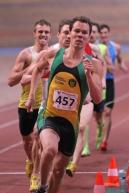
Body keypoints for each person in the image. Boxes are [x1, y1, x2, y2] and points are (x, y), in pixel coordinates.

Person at [25, 16, 102, 193]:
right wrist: (31, 97)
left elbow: (97, 99)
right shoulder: (53, 55)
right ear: (70, 33)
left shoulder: (95, 64)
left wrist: (89, 75)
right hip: (50, 117)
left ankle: (49, 188)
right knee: (50, 149)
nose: (80, 35)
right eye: (77, 31)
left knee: (59, 171)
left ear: (89, 36)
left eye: (84, 32)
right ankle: (42, 187)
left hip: (70, 124)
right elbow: (37, 69)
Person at [7, 19, 51, 191]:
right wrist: (32, 68)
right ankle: (31, 161)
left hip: (46, 105)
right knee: (27, 141)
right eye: (40, 32)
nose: (43, 35)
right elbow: (11, 81)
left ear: (50, 34)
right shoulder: (26, 54)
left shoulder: (53, 54)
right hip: (26, 104)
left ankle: (36, 175)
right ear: (34, 33)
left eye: (46, 32)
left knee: (37, 137)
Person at [99, 24, 128, 151]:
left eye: (105, 32)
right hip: (97, 82)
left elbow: (119, 59)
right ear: (99, 35)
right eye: (102, 33)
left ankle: (104, 140)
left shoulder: (116, 47)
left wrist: (122, 66)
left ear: (109, 33)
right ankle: (100, 132)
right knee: (97, 114)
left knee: (107, 111)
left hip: (109, 81)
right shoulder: (96, 48)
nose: (104, 35)